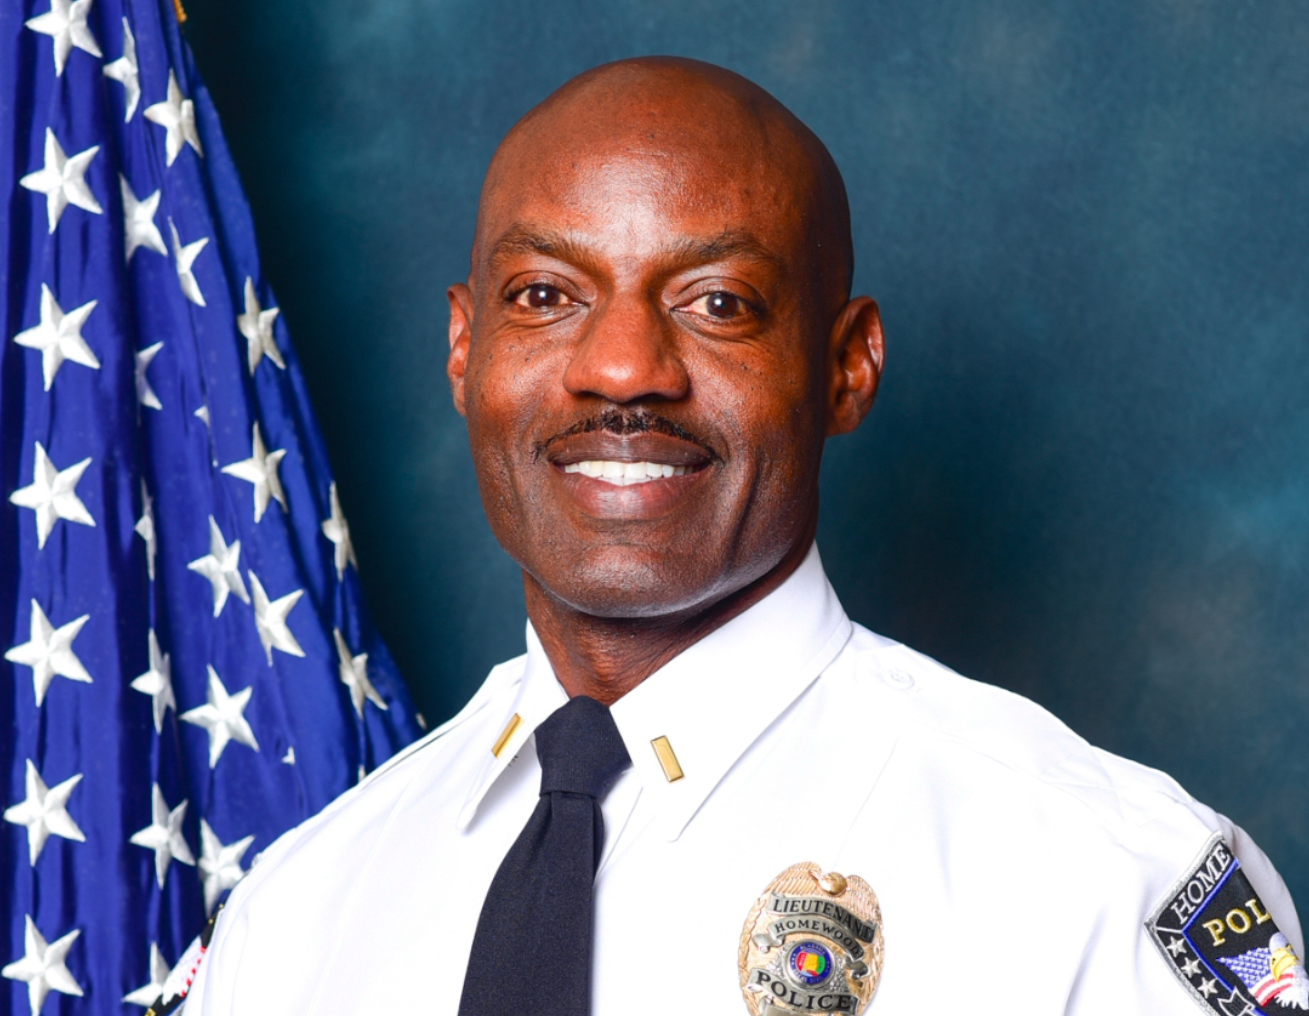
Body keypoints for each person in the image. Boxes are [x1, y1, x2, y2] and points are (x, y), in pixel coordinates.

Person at [185, 57, 1303, 1016]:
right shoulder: (295, 917)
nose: (621, 367)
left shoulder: (1108, 882)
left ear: (845, 364)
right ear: (464, 351)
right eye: (544, 294)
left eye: (717, 302)